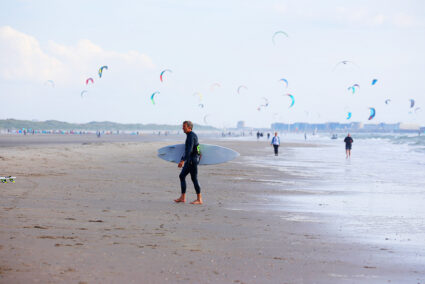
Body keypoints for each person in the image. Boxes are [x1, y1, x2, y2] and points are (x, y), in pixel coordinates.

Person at [174, 121, 202, 205]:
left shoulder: (191, 136)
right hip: (191, 160)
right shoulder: (191, 135)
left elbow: (189, 150)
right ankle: (182, 197)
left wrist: (182, 160)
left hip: (191, 161)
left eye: (184, 126)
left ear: (189, 127)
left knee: (194, 179)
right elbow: (197, 148)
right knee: (182, 176)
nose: (183, 128)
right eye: (183, 126)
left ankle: (199, 199)